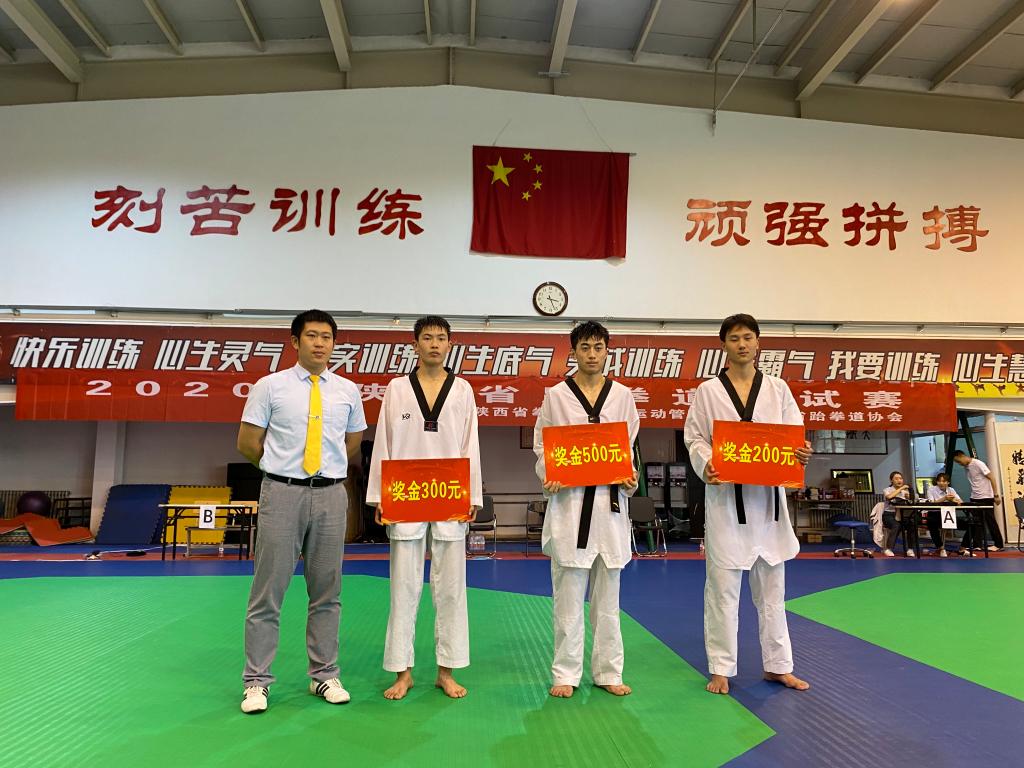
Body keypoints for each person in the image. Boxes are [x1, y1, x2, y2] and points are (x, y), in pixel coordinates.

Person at [237, 309, 367, 714]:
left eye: (327, 337)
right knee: (268, 592)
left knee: (328, 592)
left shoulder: (347, 390)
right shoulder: (269, 387)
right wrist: (282, 471)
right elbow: (248, 443)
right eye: (311, 335)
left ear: (334, 344)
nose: (320, 343)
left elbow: (352, 441)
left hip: (330, 495)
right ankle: (256, 682)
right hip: (282, 493)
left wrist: (325, 470)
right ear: (295, 342)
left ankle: (324, 675)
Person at [683, 313, 812, 696]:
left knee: (773, 592)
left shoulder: (778, 389)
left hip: (768, 506)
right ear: (723, 345)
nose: (742, 344)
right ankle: (721, 668)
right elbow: (695, 438)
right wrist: (706, 463)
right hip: (726, 504)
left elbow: (794, 436)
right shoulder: (708, 391)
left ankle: (779, 666)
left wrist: (801, 453)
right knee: (722, 591)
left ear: (758, 343)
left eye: (748, 337)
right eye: (734, 338)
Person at [366, 316, 482, 700]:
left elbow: (470, 444)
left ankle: (446, 671)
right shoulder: (397, 389)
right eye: (427, 338)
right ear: (415, 344)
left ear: (449, 344)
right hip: (406, 496)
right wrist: (380, 496)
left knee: (451, 589)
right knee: (403, 587)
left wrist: (471, 496)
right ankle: (403, 672)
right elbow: (384, 441)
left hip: (449, 495)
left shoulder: (462, 389)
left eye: (441, 338)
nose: (434, 344)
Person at [533, 321, 640, 698]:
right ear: (573, 352)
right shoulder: (556, 397)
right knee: (567, 599)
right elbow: (543, 447)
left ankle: (609, 671)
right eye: (585, 347)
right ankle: (566, 672)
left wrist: (630, 477)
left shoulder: (623, 396)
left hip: (609, 508)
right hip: (570, 505)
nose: (592, 354)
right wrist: (549, 473)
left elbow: (627, 447)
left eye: (598, 347)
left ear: (607, 351)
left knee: (608, 602)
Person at [953, 450, 1004, 552]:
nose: (959, 464)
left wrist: (996, 495)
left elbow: (992, 477)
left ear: (961, 456)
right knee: (976, 522)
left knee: (990, 521)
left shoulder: (978, 463)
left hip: (986, 497)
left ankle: (998, 544)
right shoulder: (967, 467)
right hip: (975, 497)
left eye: (958, 461)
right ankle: (977, 544)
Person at [924, 472, 962, 558]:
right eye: (939, 481)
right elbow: (932, 503)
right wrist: (945, 498)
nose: (941, 483)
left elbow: (960, 501)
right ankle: (941, 548)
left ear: (948, 482)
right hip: (934, 513)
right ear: (936, 482)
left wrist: (955, 500)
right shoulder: (931, 489)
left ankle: (962, 548)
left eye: (944, 481)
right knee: (932, 524)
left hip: (949, 514)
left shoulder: (951, 490)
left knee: (971, 524)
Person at [881, 471, 917, 557]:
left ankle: (910, 549)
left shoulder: (905, 491)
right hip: (889, 515)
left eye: (900, 478)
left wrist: (910, 497)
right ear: (891, 480)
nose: (899, 480)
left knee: (912, 524)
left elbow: (915, 499)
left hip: (903, 515)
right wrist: (901, 489)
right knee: (896, 525)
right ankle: (888, 549)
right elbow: (889, 497)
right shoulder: (887, 490)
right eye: (896, 479)